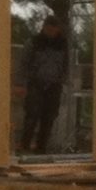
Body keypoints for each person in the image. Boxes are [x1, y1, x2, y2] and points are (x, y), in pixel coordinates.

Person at [18, 12, 71, 155]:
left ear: (58, 29)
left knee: (49, 117)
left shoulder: (63, 45)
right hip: (35, 83)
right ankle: (24, 146)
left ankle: (41, 149)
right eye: (48, 28)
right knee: (32, 115)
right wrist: (21, 83)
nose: (51, 31)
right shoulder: (34, 42)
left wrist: (63, 79)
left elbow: (66, 64)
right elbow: (23, 63)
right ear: (44, 27)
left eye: (54, 29)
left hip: (54, 85)